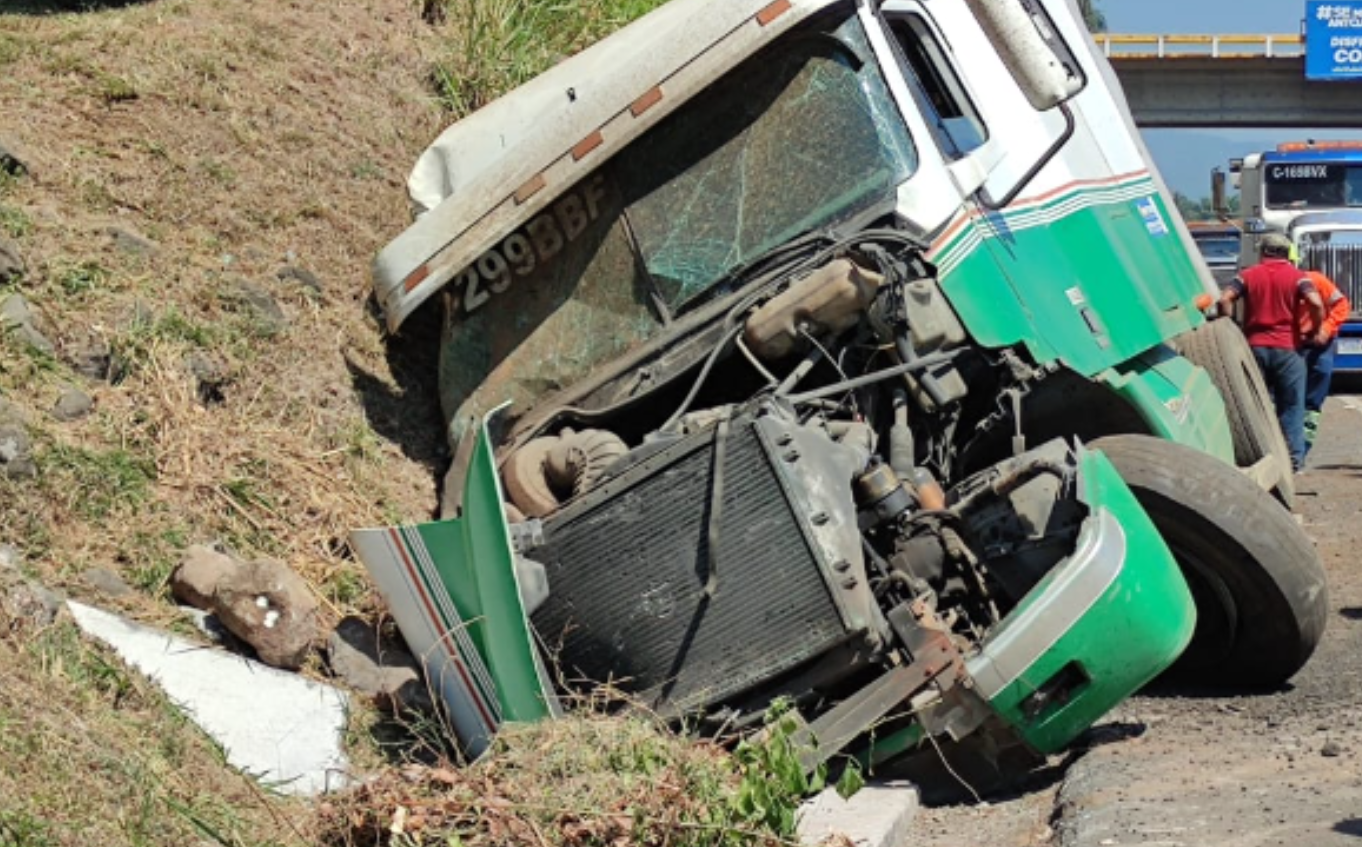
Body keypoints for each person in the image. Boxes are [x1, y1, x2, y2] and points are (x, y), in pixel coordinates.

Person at [1219, 232, 1325, 472]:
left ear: (1262, 251)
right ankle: (1293, 463)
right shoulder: (1298, 277)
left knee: (1257, 405)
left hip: (1255, 348)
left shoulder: (1247, 275)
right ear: (1287, 253)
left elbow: (1225, 299)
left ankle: (1260, 457)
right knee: (1292, 407)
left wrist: (1233, 327)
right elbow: (1316, 303)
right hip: (1289, 349)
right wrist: (1316, 329)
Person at [1297, 266, 1350, 455]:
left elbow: (1342, 305)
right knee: (1289, 398)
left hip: (1320, 345)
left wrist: (1326, 328)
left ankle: (1303, 449)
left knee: (1313, 401)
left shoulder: (1317, 281)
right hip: (1292, 344)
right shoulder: (1282, 284)